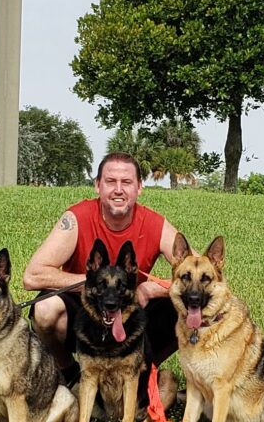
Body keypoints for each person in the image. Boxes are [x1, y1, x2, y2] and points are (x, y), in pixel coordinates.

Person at [21, 152, 184, 369]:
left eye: (126, 182)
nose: (118, 190)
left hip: (131, 311)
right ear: (98, 186)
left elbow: (203, 275)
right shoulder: (77, 218)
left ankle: (144, 372)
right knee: (45, 309)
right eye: (110, 182)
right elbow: (32, 276)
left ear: (139, 187)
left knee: (190, 305)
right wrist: (96, 284)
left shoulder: (155, 224)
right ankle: (68, 374)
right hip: (85, 310)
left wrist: (150, 289)